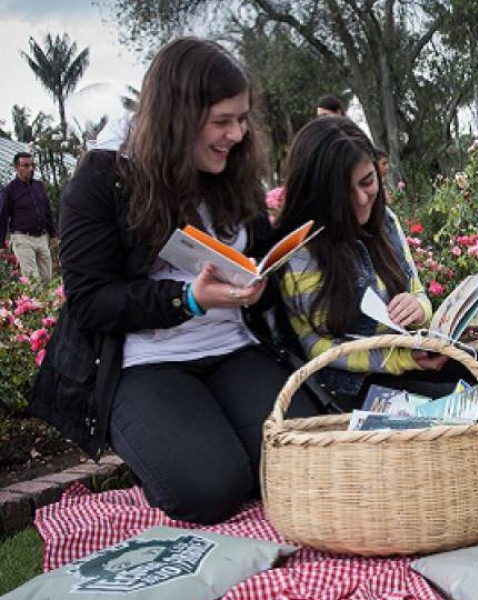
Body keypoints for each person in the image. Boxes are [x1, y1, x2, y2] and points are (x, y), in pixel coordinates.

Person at [29, 38, 317, 524]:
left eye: (242, 119)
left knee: (310, 461)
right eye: (221, 122)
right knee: (210, 490)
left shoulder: (234, 173)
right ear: (176, 117)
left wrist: (259, 281)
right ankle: (189, 448)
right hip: (147, 362)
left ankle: (224, 444)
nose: (237, 134)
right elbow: (90, 301)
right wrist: (187, 299)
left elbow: (257, 254)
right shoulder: (104, 178)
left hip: (233, 347)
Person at [273, 115, 459, 409]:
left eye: (367, 182)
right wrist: (400, 359)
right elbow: (316, 347)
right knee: (456, 406)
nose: (361, 199)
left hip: (407, 362)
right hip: (347, 387)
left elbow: (419, 294)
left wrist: (417, 308)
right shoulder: (300, 251)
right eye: (344, 193)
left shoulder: (385, 223)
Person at [0, 152, 57, 283]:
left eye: (32, 165)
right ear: (16, 167)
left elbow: (46, 211)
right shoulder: (9, 190)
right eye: (25, 165)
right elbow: (2, 216)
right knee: (33, 280)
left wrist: (53, 235)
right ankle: (33, 303)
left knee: (47, 278)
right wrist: (1, 244)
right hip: (22, 238)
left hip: (42, 238)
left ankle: (46, 304)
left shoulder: (39, 186)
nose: (30, 169)